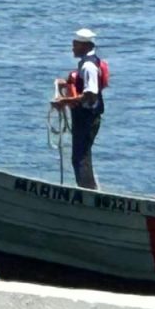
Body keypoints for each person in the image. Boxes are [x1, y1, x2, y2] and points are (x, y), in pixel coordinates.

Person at [53, 28, 105, 189]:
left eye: (75, 45)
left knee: (80, 158)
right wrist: (67, 84)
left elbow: (91, 95)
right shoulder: (88, 62)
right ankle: (88, 189)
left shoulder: (88, 66)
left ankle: (87, 192)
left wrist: (64, 101)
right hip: (85, 116)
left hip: (87, 117)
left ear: (85, 46)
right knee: (81, 155)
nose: (72, 48)